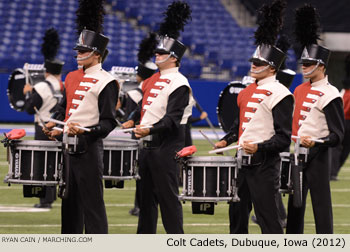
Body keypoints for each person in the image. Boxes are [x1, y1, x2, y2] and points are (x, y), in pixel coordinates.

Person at [214, 0, 293, 234]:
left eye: (258, 63)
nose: (253, 66)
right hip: (242, 164)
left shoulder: (281, 93)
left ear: (271, 67)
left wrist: (257, 147)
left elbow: (284, 139)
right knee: (236, 219)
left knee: (268, 221)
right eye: (253, 62)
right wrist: (226, 140)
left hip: (264, 166)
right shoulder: (248, 90)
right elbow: (240, 125)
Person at [44, 0, 119, 234]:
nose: (78, 54)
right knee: (69, 206)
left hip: (89, 148)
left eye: (83, 51)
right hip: (68, 149)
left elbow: (109, 122)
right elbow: (65, 109)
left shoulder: (107, 81)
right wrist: (56, 126)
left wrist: (86, 132)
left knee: (93, 207)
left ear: (96, 55)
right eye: (77, 50)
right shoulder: (72, 76)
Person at [122, 1, 192, 233]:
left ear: (174, 58)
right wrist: (133, 117)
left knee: (168, 200)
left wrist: (149, 129)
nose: (157, 54)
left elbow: (172, 119)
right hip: (147, 145)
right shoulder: (152, 80)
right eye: (158, 51)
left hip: (167, 144)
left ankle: (177, 240)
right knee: (145, 200)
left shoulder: (180, 82)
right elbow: (144, 106)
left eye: (162, 52)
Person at [286, 4, 344, 234]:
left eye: (309, 64)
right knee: (295, 205)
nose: (304, 67)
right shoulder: (299, 89)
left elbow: (338, 135)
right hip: (298, 153)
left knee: (321, 206)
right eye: (303, 63)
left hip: (318, 156)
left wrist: (317, 142)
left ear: (321, 65)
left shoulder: (330, 93)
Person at [23, 28, 64, 209]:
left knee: (42, 163)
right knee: (55, 162)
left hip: (43, 127)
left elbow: (30, 109)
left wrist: (27, 94)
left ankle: (45, 201)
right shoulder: (63, 85)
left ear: (46, 70)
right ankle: (52, 196)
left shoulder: (40, 86)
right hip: (59, 127)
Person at [330, 54, 350, 181]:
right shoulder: (344, 93)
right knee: (343, 148)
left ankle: (332, 172)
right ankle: (333, 172)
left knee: (338, 147)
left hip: (343, 121)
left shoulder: (343, 93)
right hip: (345, 121)